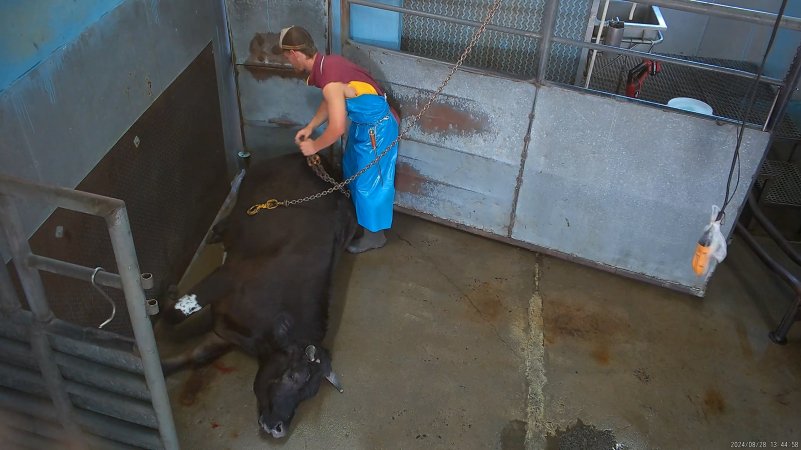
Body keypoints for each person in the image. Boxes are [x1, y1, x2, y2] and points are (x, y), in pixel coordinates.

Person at [272, 26, 399, 254]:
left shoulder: (329, 80)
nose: (287, 61)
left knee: (369, 182)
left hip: (378, 129)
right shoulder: (327, 65)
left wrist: (314, 146)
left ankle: (374, 236)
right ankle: (360, 220)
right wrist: (311, 126)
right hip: (364, 126)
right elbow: (329, 101)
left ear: (295, 53)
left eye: (286, 56)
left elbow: (338, 127)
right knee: (351, 169)